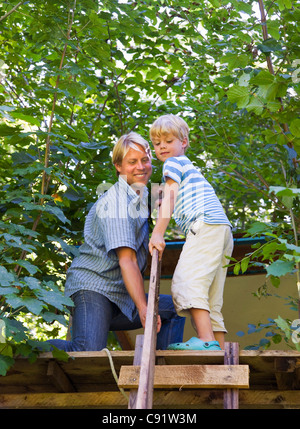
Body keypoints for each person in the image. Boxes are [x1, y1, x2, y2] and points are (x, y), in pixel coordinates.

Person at [47, 132, 185, 352]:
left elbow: (168, 195)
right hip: (94, 287)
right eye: (132, 162)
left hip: (121, 295)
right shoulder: (117, 202)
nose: (141, 166)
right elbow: (127, 260)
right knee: (87, 351)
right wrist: (144, 308)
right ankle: (27, 351)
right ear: (118, 166)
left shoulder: (141, 194)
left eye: (145, 160)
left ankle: (160, 368)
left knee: (175, 308)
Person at [148, 115, 233, 351]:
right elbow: (168, 197)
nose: (162, 146)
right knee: (210, 296)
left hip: (205, 224)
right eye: (157, 143)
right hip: (221, 229)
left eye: (168, 140)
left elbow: (170, 197)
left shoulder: (173, 163)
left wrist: (157, 233)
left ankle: (206, 341)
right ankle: (220, 353)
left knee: (187, 282)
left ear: (183, 142)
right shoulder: (188, 167)